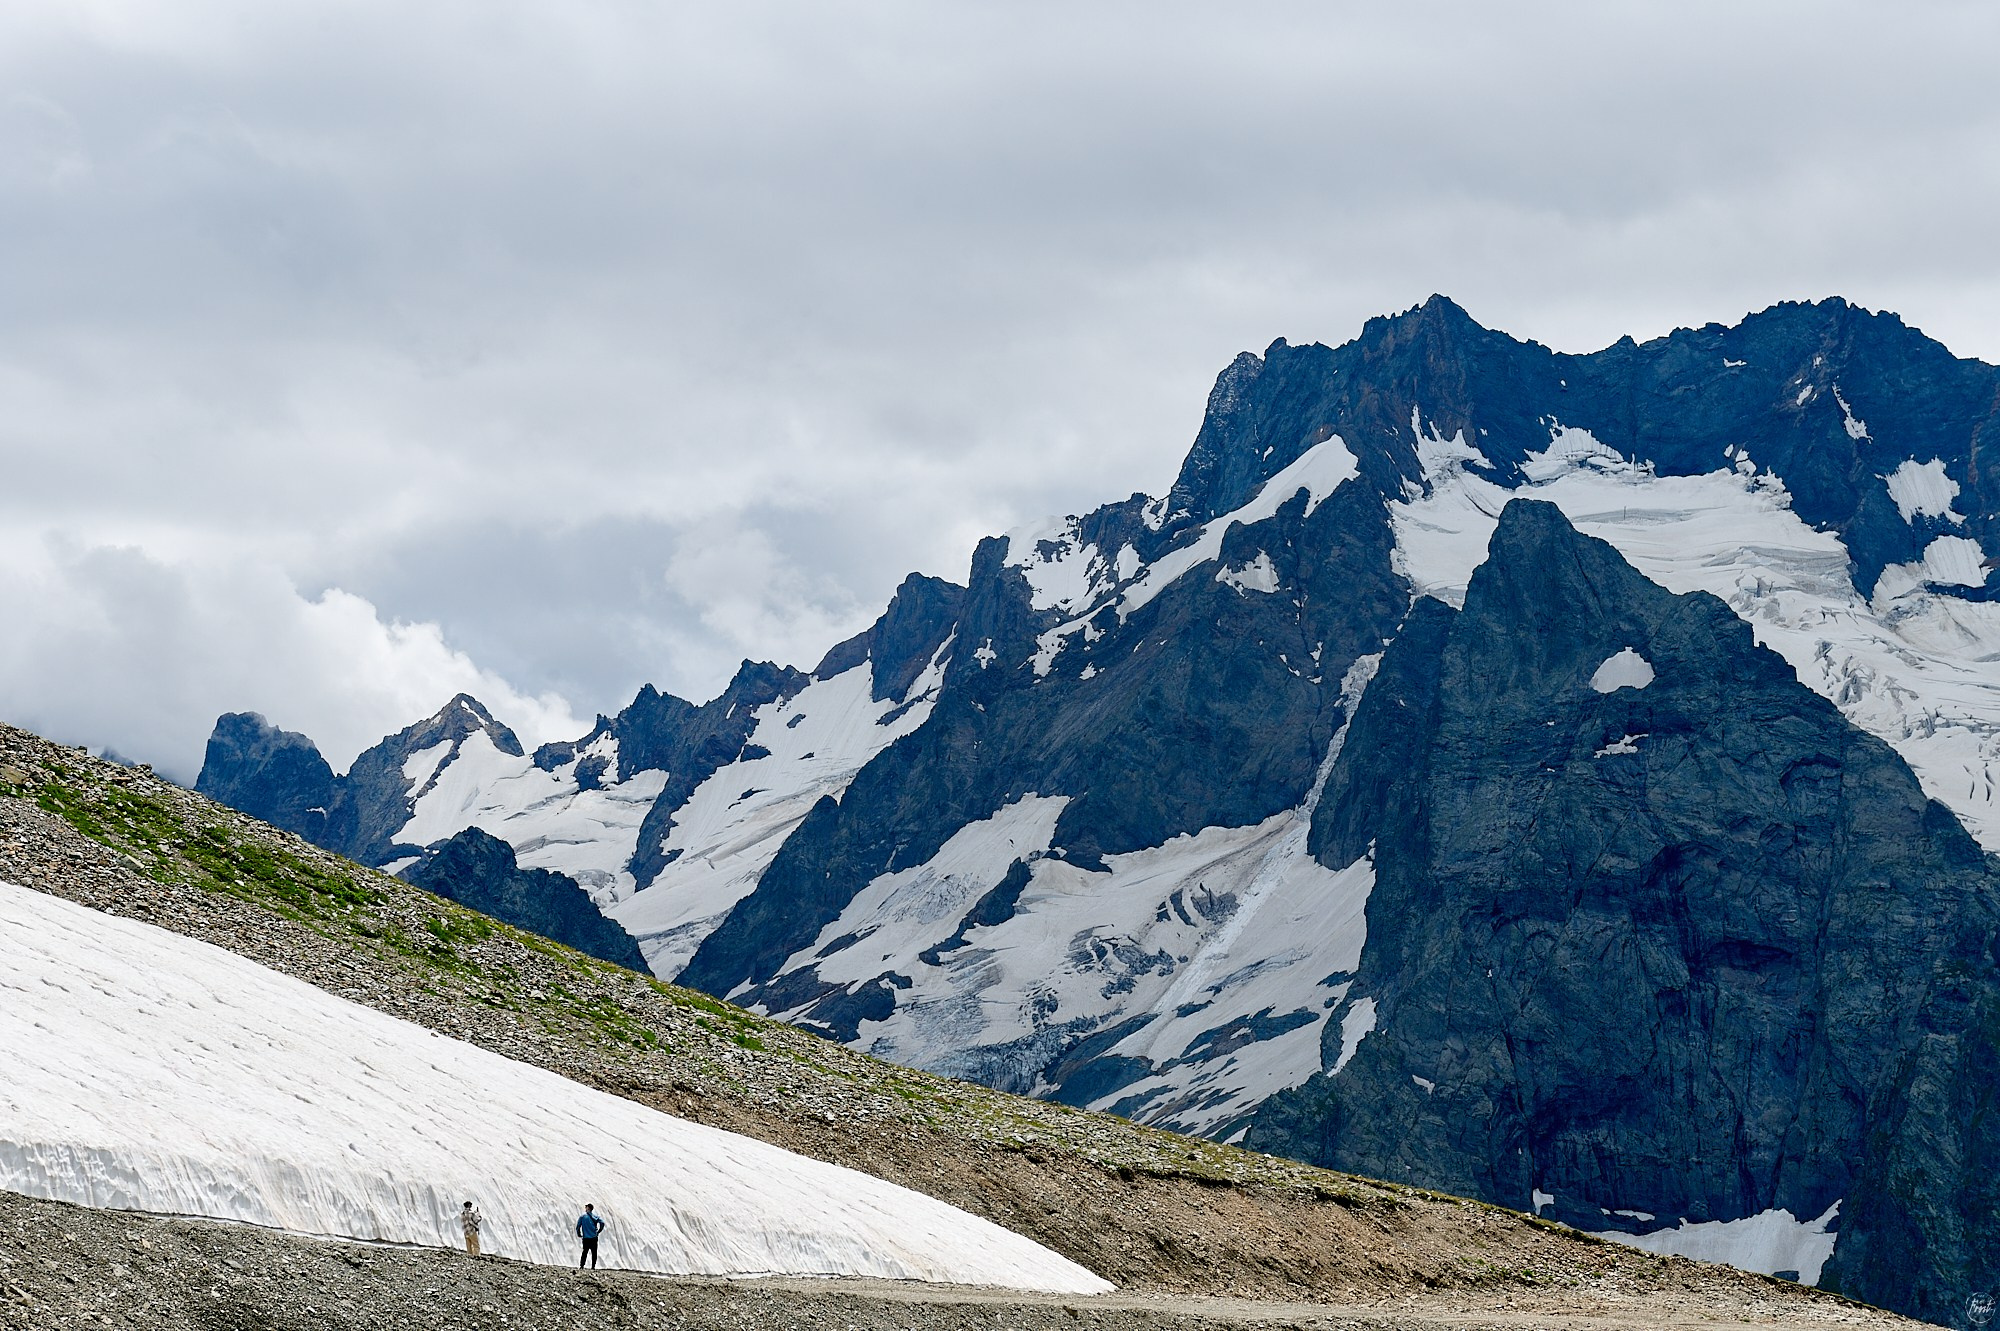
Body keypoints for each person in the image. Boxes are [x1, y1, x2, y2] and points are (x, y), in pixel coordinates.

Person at [575, 1203, 605, 1269]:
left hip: (586, 1238)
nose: (585, 1208)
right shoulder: (595, 1216)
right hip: (594, 1237)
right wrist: (599, 1230)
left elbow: (578, 1226)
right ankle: (593, 1266)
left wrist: (579, 1233)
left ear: (588, 1208)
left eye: (586, 1207)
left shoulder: (582, 1217)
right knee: (594, 1252)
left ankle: (582, 1266)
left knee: (585, 1252)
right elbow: (602, 1223)